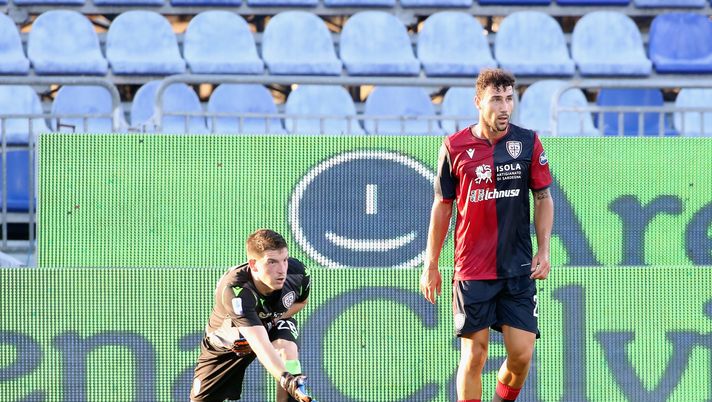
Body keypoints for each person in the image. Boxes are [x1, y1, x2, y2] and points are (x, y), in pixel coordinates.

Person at [419, 68, 554, 402]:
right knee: (475, 355)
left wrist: (544, 249)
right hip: (472, 269)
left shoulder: (527, 142)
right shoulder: (454, 146)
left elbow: (543, 197)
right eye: (497, 99)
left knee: (521, 355)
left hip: (518, 267)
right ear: (479, 101)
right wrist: (431, 264)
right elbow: (442, 205)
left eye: (510, 98)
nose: (505, 106)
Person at [190, 229, 315, 402]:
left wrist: (274, 319)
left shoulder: (298, 273)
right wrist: (287, 379)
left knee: (287, 349)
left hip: (270, 323)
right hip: (227, 347)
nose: (282, 270)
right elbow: (260, 344)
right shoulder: (236, 290)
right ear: (254, 264)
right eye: (272, 262)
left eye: (284, 260)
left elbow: (301, 302)